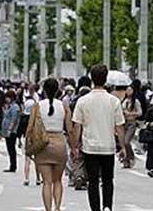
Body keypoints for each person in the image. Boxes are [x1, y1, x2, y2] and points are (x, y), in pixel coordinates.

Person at [72, 64, 126, 211]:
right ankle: (107, 206)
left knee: (93, 181)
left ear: (91, 79)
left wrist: (74, 146)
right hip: (108, 147)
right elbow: (119, 126)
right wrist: (123, 147)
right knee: (108, 179)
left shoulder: (83, 100)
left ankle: (95, 209)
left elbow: (77, 125)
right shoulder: (113, 101)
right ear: (105, 79)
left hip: (90, 147)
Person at [35, 78, 72, 211]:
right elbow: (70, 129)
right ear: (58, 91)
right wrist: (73, 147)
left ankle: (48, 209)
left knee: (46, 182)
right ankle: (57, 207)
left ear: (44, 90)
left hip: (43, 145)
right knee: (58, 180)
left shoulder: (38, 105)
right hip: (59, 143)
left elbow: (31, 128)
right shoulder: (64, 107)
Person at [121, 84, 142, 168]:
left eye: (130, 90)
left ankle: (131, 157)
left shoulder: (136, 102)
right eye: (127, 90)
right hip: (124, 123)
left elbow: (140, 112)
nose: (128, 92)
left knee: (126, 141)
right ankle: (126, 160)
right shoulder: (124, 101)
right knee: (123, 142)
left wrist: (131, 113)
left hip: (131, 123)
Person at [1, 90, 21, 172]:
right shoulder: (8, 106)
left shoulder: (15, 107)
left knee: (11, 148)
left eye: (8, 97)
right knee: (9, 148)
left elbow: (14, 119)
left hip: (12, 131)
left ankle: (13, 166)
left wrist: (10, 129)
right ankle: (11, 165)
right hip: (6, 130)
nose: (6, 99)